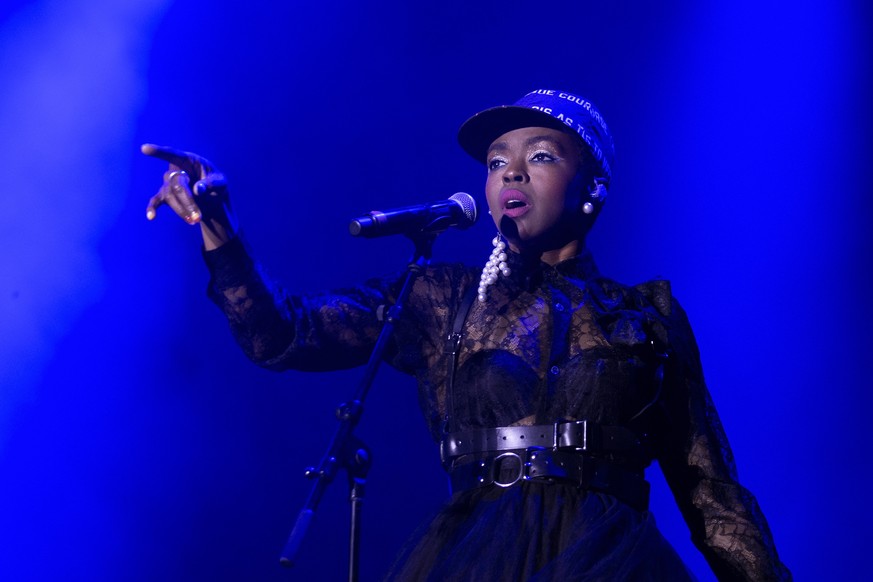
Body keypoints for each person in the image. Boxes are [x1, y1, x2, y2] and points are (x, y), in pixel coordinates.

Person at [143, 89, 791, 581]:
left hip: (610, 560)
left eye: (538, 157)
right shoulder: (440, 296)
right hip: (475, 552)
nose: (510, 172)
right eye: (496, 161)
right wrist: (219, 230)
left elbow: (711, 493)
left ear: (592, 189)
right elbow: (280, 336)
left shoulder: (644, 318)